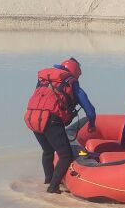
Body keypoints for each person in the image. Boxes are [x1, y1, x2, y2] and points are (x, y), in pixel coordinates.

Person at [22, 57, 96, 194]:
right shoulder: (71, 83)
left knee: (47, 150)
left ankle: (48, 180)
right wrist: (91, 123)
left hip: (31, 117)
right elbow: (89, 108)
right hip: (50, 120)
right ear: (75, 71)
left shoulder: (45, 80)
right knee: (65, 155)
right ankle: (53, 188)